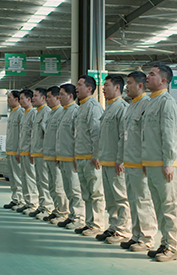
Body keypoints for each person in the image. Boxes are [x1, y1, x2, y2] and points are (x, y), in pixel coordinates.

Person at [142, 62, 177, 262]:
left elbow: (169, 135)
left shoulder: (167, 102)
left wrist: (168, 162)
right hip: (152, 163)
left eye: (152, 74)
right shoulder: (151, 102)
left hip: (164, 165)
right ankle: (165, 243)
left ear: (163, 80)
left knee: (169, 207)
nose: (147, 77)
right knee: (159, 207)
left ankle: (173, 247)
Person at [119, 71, 158, 252]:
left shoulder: (146, 106)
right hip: (130, 162)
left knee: (143, 200)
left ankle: (147, 238)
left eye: (129, 83)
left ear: (140, 86)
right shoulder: (130, 107)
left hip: (141, 163)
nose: (127, 87)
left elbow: (147, 137)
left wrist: (145, 161)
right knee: (133, 200)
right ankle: (136, 235)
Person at [94, 74, 131, 243]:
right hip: (107, 160)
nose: (103, 88)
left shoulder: (122, 107)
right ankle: (113, 226)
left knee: (121, 198)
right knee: (110, 198)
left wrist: (121, 160)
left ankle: (123, 230)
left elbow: (124, 137)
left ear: (117, 87)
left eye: (106, 85)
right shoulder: (108, 108)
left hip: (116, 162)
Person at [74, 75, 105, 237]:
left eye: (80, 85)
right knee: (86, 193)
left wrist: (97, 154)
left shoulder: (93, 107)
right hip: (81, 156)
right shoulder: (82, 107)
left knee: (96, 192)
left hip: (91, 158)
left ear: (90, 89)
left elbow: (97, 133)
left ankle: (98, 224)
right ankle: (89, 222)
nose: (76, 88)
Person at [55, 84, 85, 230]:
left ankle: (79, 217)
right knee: (68, 189)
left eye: (61, 94)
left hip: (72, 158)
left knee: (75, 189)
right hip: (63, 157)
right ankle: (72, 215)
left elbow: (77, 136)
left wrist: (75, 157)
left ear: (70, 96)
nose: (59, 97)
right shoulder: (62, 112)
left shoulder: (75, 112)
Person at [42, 86, 70, 224]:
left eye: (49, 97)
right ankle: (57, 209)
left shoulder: (61, 112)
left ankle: (63, 212)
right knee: (52, 186)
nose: (47, 100)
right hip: (49, 155)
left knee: (59, 187)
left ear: (57, 98)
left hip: (57, 156)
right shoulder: (51, 114)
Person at [28, 87, 55, 220]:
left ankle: (48, 207)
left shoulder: (46, 112)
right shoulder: (39, 112)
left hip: (44, 154)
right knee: (39, 181)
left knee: (45, 182)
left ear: (43, 98)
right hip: (38, 153)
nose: (33, 98)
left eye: (35, 96)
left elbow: (47, 136)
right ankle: (42, 205)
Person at [15, 89, 39, 215]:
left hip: (30, 153)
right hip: (23, 152)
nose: (20, 101)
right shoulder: (25, 114)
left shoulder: (34, 113)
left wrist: (32, 150)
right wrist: (19, 151)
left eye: (22, 98)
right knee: (24, 178)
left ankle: (33, 203)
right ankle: (27, 202)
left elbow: (34, 135)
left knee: (31, 179)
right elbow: (22, 135)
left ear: (28, 100)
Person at [4, 91, 25, 210]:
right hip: (10, 150)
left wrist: (19, 150)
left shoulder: (21, 112)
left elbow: (22, 134)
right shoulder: (12, 113)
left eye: (9, 98)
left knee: (19, 177)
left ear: (16, 99)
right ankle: (15, 198)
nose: (8, 100)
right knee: (13, 177)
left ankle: (21, 200)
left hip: (17, 151)